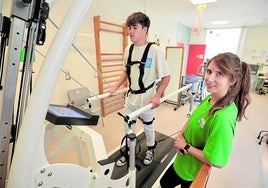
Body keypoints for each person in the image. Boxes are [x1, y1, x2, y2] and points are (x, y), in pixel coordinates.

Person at [160, 52, 251, 188]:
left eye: (219, 74)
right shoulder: (210, 98)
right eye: (209, 71)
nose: (209, 78)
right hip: (181, 162)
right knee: (164, 183)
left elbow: (217, 161)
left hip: (192, 173)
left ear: (232, 80)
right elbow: (193, 119)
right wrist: (180, 137)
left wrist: (185, 146)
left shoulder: (223, 117)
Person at [109, 12, 170, 166]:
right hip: (131, 98)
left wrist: (157, 95)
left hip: (148, 98)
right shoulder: (128, 49)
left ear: (145, 29)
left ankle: (150, 149)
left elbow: (166, 77)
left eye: (135, 27)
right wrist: (115, 87)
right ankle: (129, 151)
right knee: (128, 127)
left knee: (148, 127)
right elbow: (125, 72)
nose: (130, 31)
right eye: (129, 27)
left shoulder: (154, 50)